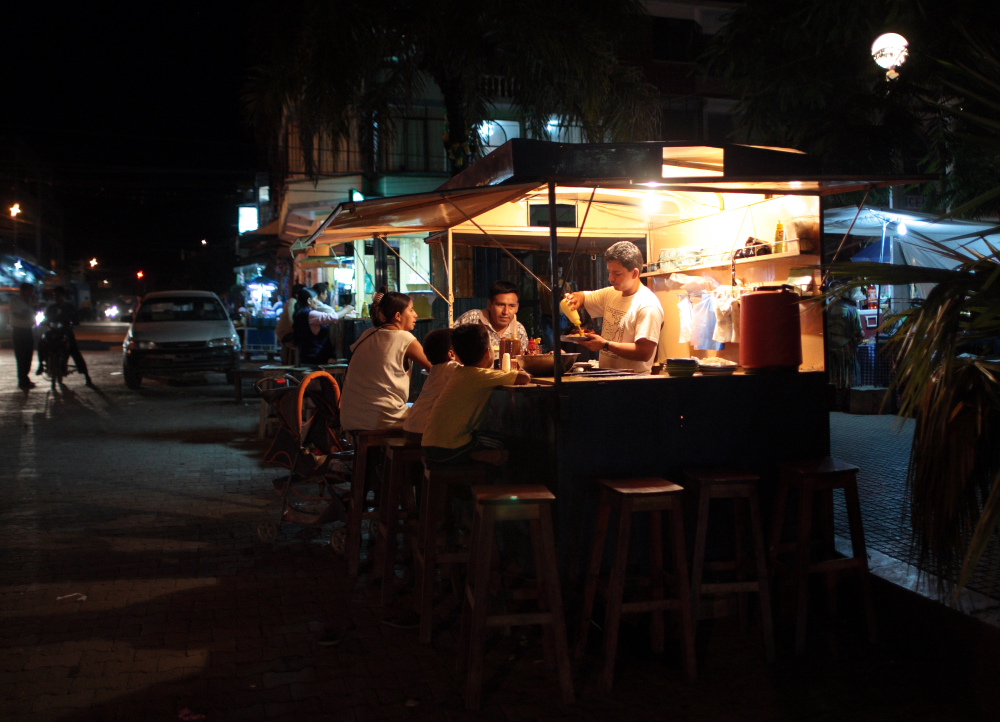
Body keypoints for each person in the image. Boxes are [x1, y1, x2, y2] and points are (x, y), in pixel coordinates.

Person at [422, 324, 530, 466]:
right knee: (507, 444)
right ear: (488, 353)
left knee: (489, 439)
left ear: (457, 356)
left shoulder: (458, 372)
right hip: (449, 450)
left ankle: (479, 456)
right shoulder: (481, 375)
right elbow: (524, 378)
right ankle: (477, 458)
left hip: (429, 447)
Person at [562, 240, 663, 375]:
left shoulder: (647, 306)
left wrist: (605, 345)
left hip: (634, 383)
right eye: (609, 272)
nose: (611, 278)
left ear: (635, 273)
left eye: (617, 273)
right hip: (608, 378)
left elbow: (644, 352)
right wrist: (574, 300)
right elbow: (583, 297)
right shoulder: (612, 293)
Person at [339, 291, 431, 431]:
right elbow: (435, 366)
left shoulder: (367, 334)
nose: (415, 315)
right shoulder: (405, 338)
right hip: (383, 417)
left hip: (350, 417)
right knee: (436, 419)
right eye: (411, 310)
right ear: (398, 316)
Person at [402, 328, 458, 445]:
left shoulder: (435, 370)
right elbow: (473, 373)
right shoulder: (451, 367)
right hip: (425, 432)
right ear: (451, 354)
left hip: (410, 428)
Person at [453, 280, 529, 363]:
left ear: (517, 307)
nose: (506, 312)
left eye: (511, 306)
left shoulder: (519, 330)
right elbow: (450, 349)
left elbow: (522, 361)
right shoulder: (471, 319)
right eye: (500, 305)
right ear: (490, 305)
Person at [36, 286, 94, 386]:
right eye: (54, 295)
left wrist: (72, 322)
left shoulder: (69, 307)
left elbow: (75, 319)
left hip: (66, 332)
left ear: (62, 296)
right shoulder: (51, 308)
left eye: (58, 295)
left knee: (75, 351)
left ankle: (86, 375)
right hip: (53, 332)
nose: (56, 297)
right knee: (42, 343)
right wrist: (44, 322)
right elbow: (46, 318)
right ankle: (41, 364)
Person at [826, 285, 864, 409]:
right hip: (845, 348)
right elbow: (858, 331)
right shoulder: (852, 309)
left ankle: (833, 403)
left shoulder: (829, 307)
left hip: (830, 346)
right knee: (845, 377)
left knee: (833, 375)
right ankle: (843, 404)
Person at [292, 286, 341, 366]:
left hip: (307, 359)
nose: (318, 302)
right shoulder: (310, 314)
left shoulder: (301, 313)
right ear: (309, 301)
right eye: (316, 299)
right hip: (315, 360)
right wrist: (347, 309)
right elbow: (333, 317)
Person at [10, 283, 37, 391]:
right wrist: (28, 316)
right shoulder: (15, 301)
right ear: (23, 291)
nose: (31, 293)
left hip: (28, 330)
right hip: (19, 330)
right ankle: (22, 380)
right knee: (21, 356)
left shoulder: (29, 301)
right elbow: (17, 314)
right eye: (29, 291)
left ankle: (25, 378)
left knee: (28, 356)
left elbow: (33, 313)